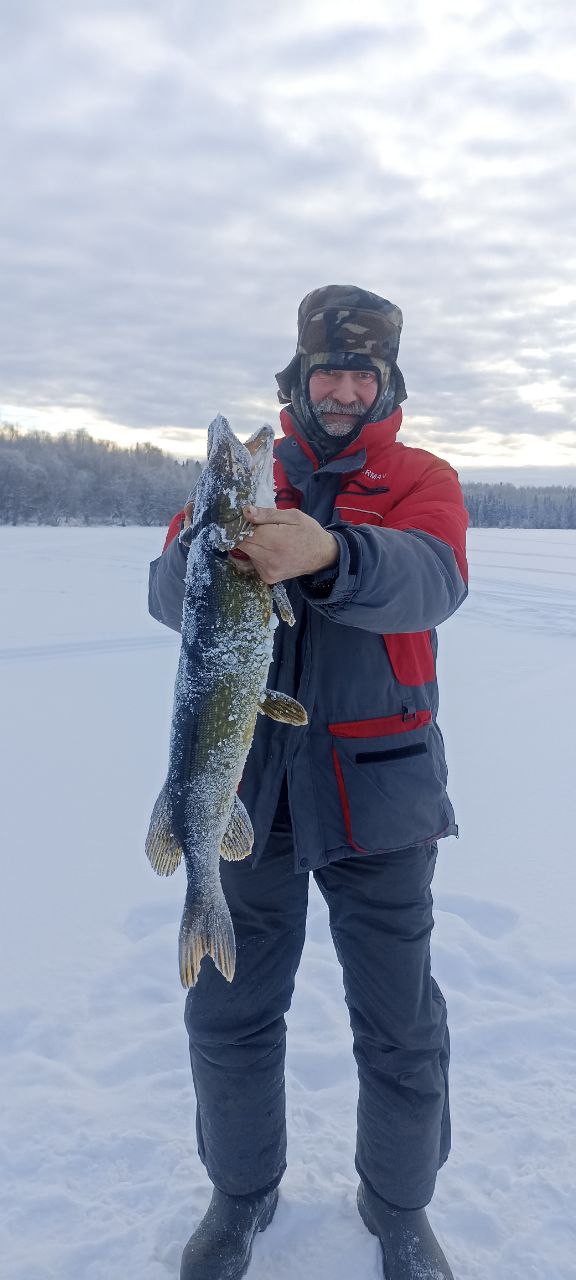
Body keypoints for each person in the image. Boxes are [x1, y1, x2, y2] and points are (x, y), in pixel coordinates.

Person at [148, 285, 468, 1280]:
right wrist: (212, 543)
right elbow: (166, 592)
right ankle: (241, 1192)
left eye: (360, 372)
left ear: (385, 383)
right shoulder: (249, 478)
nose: (340, 387)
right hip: (255, 785)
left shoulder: (420, 477)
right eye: (325, 370)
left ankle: (398, 1205)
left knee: (400, 1018)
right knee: (232, 1009)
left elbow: (434, 575)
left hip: (383, 792)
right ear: (297, 377)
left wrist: (331, 550)